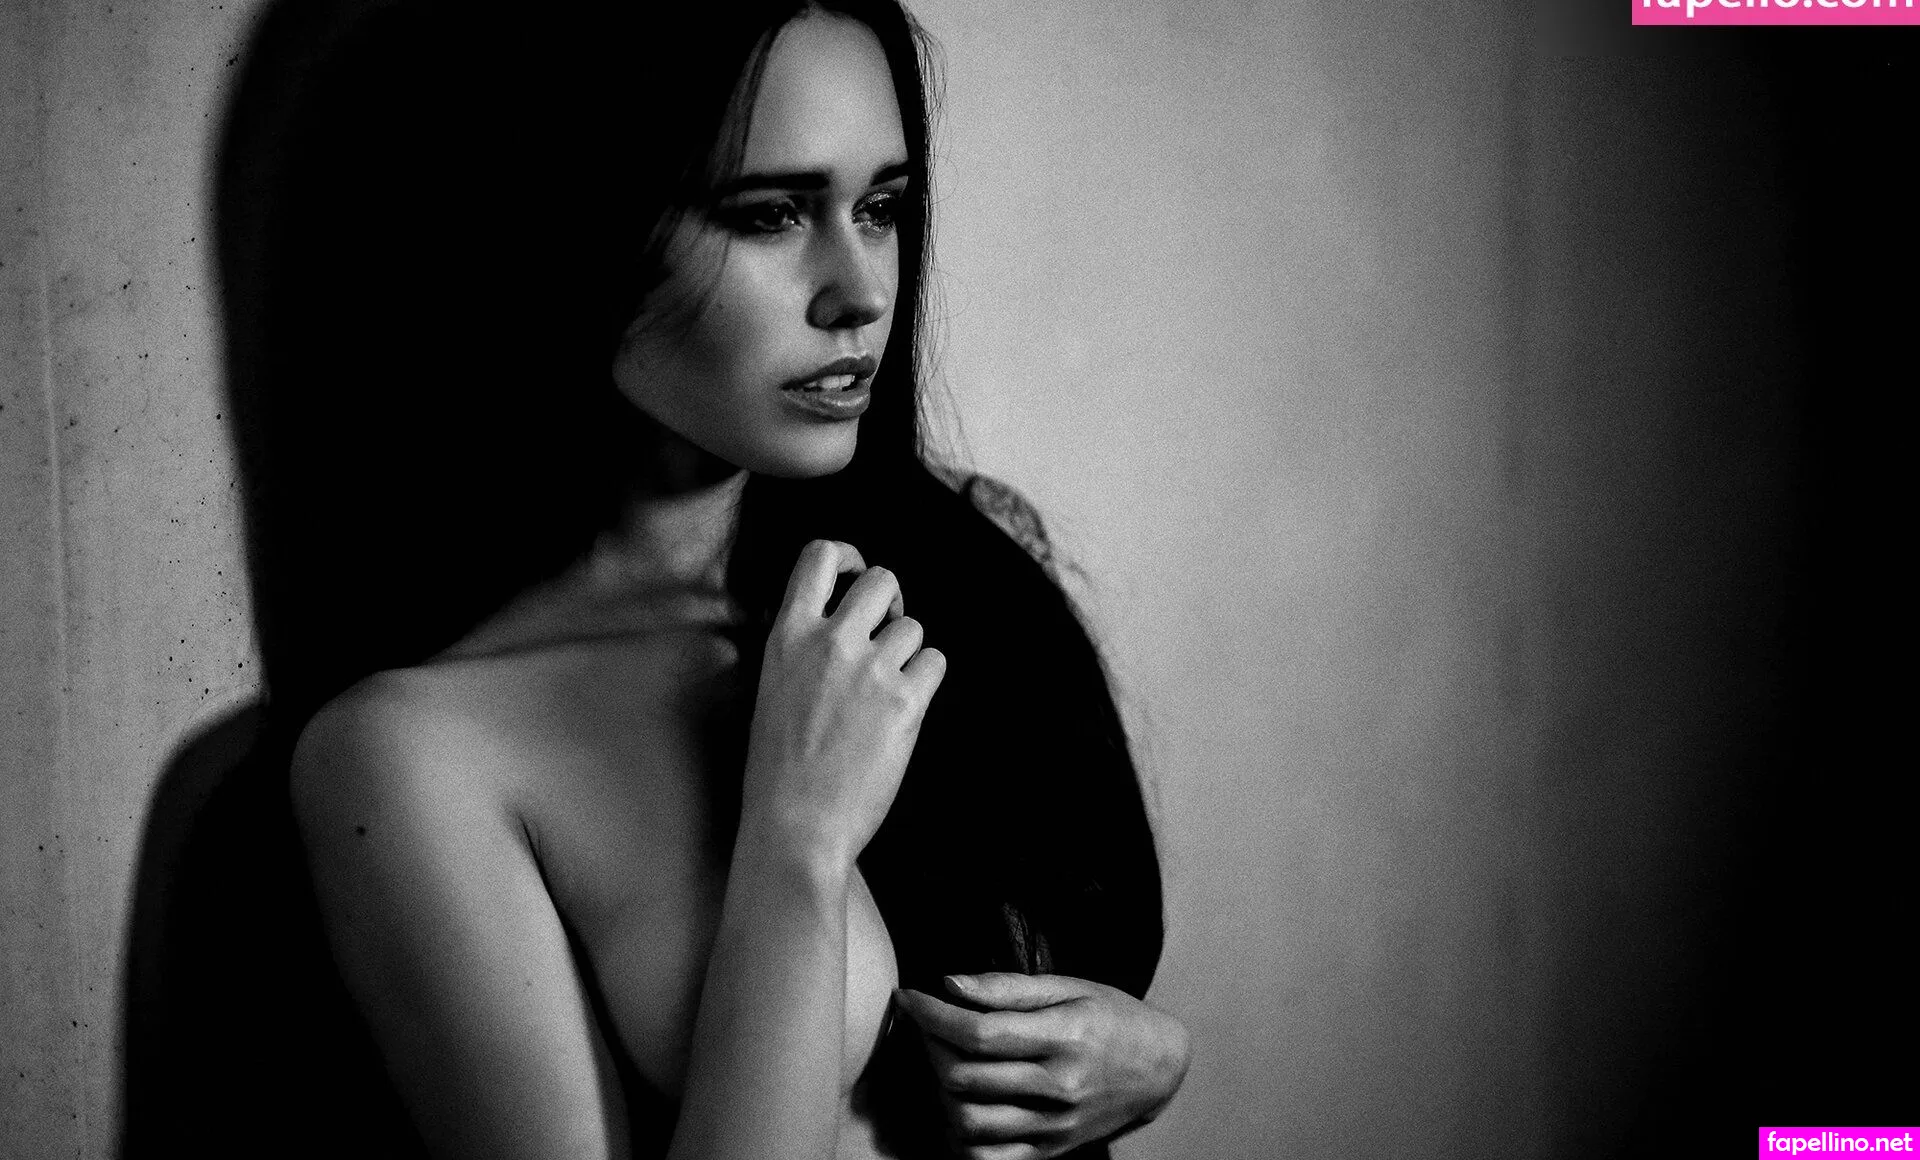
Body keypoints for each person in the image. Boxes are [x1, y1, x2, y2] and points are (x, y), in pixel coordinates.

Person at [224, 2, 1189, 1157]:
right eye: (769, 214)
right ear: (580, 229)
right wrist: (797, 839)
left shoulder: (957, 576)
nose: (859, 291)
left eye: (881, 208)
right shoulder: (410, 750)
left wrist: (1148, 1059)